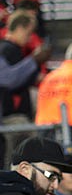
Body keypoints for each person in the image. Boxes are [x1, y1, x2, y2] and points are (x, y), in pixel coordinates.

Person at [0, 10, 50, 168]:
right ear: (20, 28)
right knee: (26, 155)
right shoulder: (7, 49)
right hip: (12, 117)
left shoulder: (13, 50)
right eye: (28, 34)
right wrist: (34, 60)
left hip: (14, 116)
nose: (29, 39)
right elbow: (9, 79)